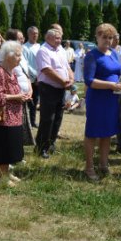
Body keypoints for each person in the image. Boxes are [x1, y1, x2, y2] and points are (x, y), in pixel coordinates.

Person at [82, 23, 121, 181]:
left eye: (110, 37)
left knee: (107, 132)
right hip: (97, 99)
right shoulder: (92, 55)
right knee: (92, 133)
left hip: (112, 99)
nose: (108, 40)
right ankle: (89, 167)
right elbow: (89, 81)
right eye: (104, 37)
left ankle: (103, 164)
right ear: (97, 37)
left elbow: (117, 73)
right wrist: (111, 85)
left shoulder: (114, 53)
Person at [0, 41, 29, 186]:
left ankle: (6, 173)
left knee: (11, 146)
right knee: (4, 147)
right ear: (8, 56)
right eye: (18, 55)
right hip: (3, 117)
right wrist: (16, 97)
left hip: (14, 116)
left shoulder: (13, 72)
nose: (20, 58)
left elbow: (14, 91)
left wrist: (22, 96)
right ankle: (1, 176)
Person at [35, 29, 74, 159]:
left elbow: (67, 67)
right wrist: (63, 82)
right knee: (48, 119)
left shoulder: (61, 50)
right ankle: (41, 147)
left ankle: (51, 144)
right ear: (48, 38)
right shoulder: (43, 51)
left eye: (60, 38)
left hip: (61, 88)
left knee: (58, 117)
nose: (59, 40)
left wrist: (71, 79)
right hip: (48, 88)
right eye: (56, 38)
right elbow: (47, 70)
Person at [5, 29, 34, 145]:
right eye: (20, 38)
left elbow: (25, 74)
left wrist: (30, 89)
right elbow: (6, 76)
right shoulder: (7, 54)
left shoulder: (21, 53)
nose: (23, 40)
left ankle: (18, 146)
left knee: (21, 123)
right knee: (12, 123)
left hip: (24, 95)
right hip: (14, 96)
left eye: (23, 38)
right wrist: (17, 94)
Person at [23, 26, 40, 127]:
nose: (35, 35)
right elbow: (25, 64)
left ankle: (33, 121)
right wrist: (35, 76)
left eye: (36, 33)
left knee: (35, 100)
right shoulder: (25, 47)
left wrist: (40, 76)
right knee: (28, 100)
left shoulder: (40, 47)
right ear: (28, 34)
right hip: (29, 78)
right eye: (33, 33)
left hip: (39, 78)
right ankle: (26, 121)